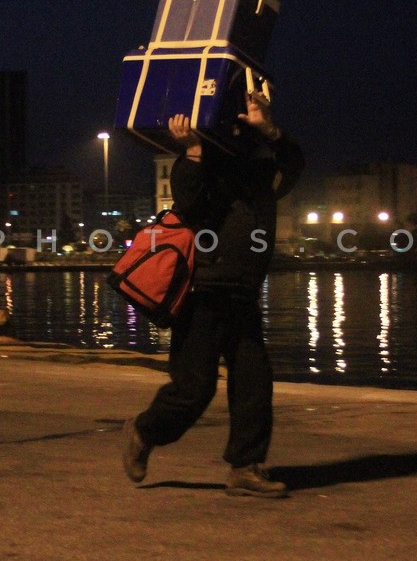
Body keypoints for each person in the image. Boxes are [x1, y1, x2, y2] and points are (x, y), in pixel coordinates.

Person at [122, 94, 305, 498]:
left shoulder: (261, 162)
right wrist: (191, 150)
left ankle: (245, 467)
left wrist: (269, 129)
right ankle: (143, 430)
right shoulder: (203, 161)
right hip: (202, 288)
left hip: (242, 288)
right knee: (193, 389)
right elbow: (187, 203)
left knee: (254, 381)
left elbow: (294, 165)